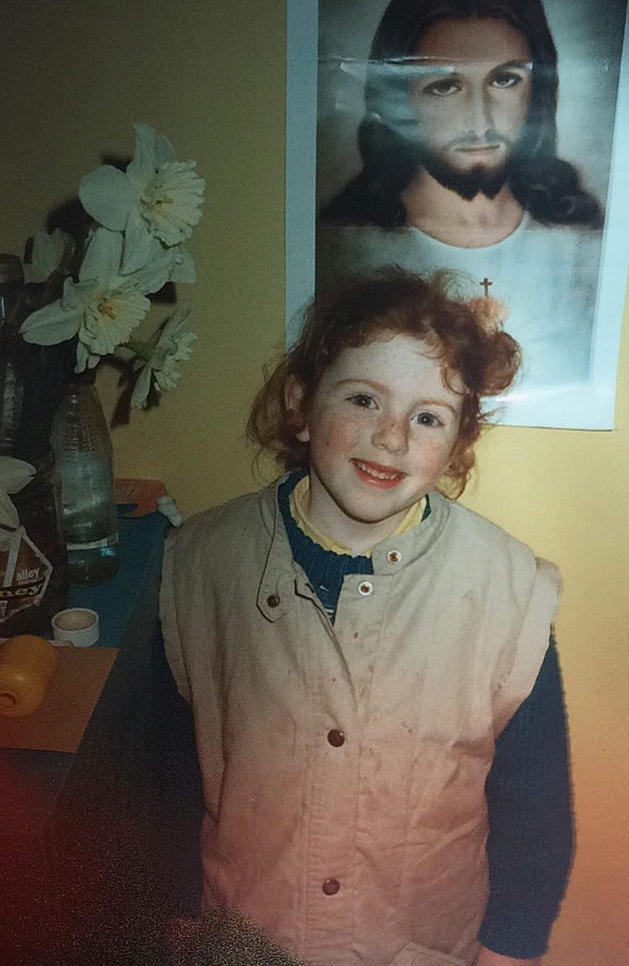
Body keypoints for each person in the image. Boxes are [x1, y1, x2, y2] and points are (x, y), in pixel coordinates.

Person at [160, 268, 574, 966]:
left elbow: (537, 807)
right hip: (243, 944)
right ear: (302, 403)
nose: (391, 437)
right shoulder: (197, 566)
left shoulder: (509, 592)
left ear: (457, 439)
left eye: (427, 416)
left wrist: (509, 950)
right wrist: (173, 913)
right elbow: (165, 773)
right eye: (363, 398)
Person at [316, 0, 605, 392]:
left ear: (538, 92)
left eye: (504, 80)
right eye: (445, 87)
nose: (479, 121)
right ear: (398, 101)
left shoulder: (581, 248)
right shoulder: (341, 247)